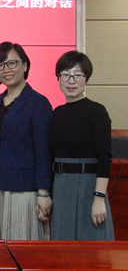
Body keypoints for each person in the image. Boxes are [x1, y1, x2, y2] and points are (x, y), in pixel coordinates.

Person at [0, 42, 53, 240]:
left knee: (20, 245)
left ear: (25, 65)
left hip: (24, 187)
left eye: (12, 63)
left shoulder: (38, 103)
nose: (6, 69)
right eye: (0, 65)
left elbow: (43, 150)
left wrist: (43, 192)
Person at [49, 51, 114, 240]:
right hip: (61, 185)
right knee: (63, 244)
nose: (71, 81)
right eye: (66, 75)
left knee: (92, 244)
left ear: (86, 79)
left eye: (77, 75)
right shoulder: (56, 113)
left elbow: (104, 157)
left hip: (89, 185)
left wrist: (99, 198)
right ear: (58, 78)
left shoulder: (97, 111)